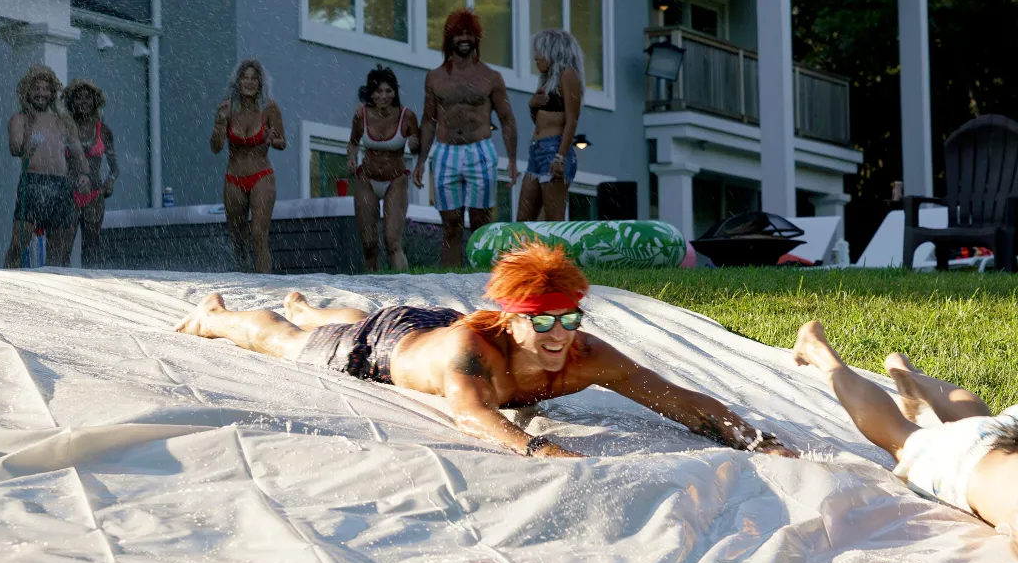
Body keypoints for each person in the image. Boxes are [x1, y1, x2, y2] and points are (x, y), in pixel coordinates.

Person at [175, 241, 795, 459]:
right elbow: (471, 414)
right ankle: (219, 316)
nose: (560, 336)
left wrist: (755, 438)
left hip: (429, 321)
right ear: (512, 319)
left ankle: (308, 306)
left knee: (337, 317)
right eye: (543, 323)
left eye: (569, 318)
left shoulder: (581, 351)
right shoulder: (475, 352)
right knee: (285, 342)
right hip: (379, 347)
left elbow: (680, 401)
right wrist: (537, 447)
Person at [792, 320, 1018, 530]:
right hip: (964, 465)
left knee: (984, 427)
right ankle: (818, 351)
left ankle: (913, 379)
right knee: (898, 435)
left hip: (997, 442)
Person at [412, 9, 519, 267]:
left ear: (476, 38)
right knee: (450, 223)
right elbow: (429, 119)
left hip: (479, 149)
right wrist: (420, 161)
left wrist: (513, 161)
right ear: (450, 38)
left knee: (481, 223)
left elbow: (506, 118)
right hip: (445, 151)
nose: (464, 38)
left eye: (469, 33)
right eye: (459, 33)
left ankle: (483, 278)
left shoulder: (491, 77)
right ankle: (451, 280)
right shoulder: (435, 77)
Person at [5, 65, 91, 268]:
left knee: (59, 249)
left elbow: (79, 154)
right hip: (33, 183)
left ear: (52, 93)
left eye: (46, 89)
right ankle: (5, 285)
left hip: (61, 185)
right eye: (36, 88)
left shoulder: (63, 122)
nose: (41, 93)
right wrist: (27, 146)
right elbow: (14, 148)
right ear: (27, 91)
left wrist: (85, 175)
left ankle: (52, 292)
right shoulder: (21, 119)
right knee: (19, 243)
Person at [210, 58, 286, 274]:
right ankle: (243, 283)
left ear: (261, 83)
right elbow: (215, 148)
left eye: (254, 78)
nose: (250, 82)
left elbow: (283, 143)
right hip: (233, 177)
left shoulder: (270, 108)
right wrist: (219, 123)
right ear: (237, 82)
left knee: (258, 235)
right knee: (237, 238)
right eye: (245, 77)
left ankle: (266, 283)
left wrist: (272, 139)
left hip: (261, 175)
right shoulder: (227, 108)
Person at [346, 66, 420, 272]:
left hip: (395, 179)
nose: (384, 96)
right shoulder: (361, 115)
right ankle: (372, 289)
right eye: (378, 91)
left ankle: (404, 290)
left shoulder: (407, 116)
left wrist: (414, 146)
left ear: (395, 92)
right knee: (369, 244)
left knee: (392, 242)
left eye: (388, 91)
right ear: (370, 93)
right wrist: (351, 158)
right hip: (367, 179)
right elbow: (352, 142)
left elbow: (417, 149)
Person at [517, 29, 584, 222]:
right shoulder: (547, 81)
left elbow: (572, 120)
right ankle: (526, 253)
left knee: (553, 222)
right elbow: (538, 121)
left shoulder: (568, 75)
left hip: (554, 149)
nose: (536, 58)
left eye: (540, 52)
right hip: (536, 151)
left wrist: (560, 157)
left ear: (552, 52)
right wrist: (532, 105)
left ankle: (559, 253)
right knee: (523, 222)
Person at [63, 78, 119, 267]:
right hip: (67, 193)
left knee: (92, 247)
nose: (83, 102)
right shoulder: (63, 129)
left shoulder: (103, 131)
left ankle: (90, 288)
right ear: (71, 102)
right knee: (63, 248)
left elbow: (114, 167)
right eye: (78, 98)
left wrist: (109, 183)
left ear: (95, 102)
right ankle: (60, 288)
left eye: (88, 98)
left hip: (95, 194)